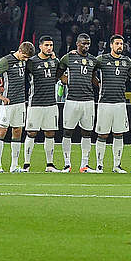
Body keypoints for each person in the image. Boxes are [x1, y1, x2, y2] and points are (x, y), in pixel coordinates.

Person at [0, 41, 35, 172]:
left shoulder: (25, 61)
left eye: (27, 58)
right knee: (2, 131)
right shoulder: (6, 60)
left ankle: (14, 165)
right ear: (19, 51)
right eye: (24, 56)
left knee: (17, 131)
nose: (26, 60)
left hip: (20, 102)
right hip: (7, 103)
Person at [93, 35, 131, 174]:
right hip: (105, 102)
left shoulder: (127, 61)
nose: (119, 46)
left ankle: (117, 165)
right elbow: (90, 69)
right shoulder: (101, 59)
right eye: (117, 43)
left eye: (121, 44)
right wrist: (97, 83)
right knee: (102, 134)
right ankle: (99, 165)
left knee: (118, 134)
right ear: (111, 45)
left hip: (120, 103)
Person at [23, 36, 63, 172]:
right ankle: (26, 164)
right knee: (31, 133)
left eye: (51, 45)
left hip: (51, 103)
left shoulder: (55, 61)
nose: (49, 48)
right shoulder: (32, 62)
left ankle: (50, 165)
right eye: (46, 45)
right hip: (36, 103)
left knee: (50, 133)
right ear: (40, 46)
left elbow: (59, 75)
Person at [58, 34, 98, 172]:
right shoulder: (69, 57)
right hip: (72, 100)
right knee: (67, 131)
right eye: (83, 43)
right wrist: (65, 80)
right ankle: (67, 164)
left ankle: (84, 165)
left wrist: (100, 85)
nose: (86, 46)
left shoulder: (93, 60)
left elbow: (94, 77)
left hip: (88, 100)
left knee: (87, 132)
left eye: (88, 44)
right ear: (77, 43)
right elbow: (58, 71)